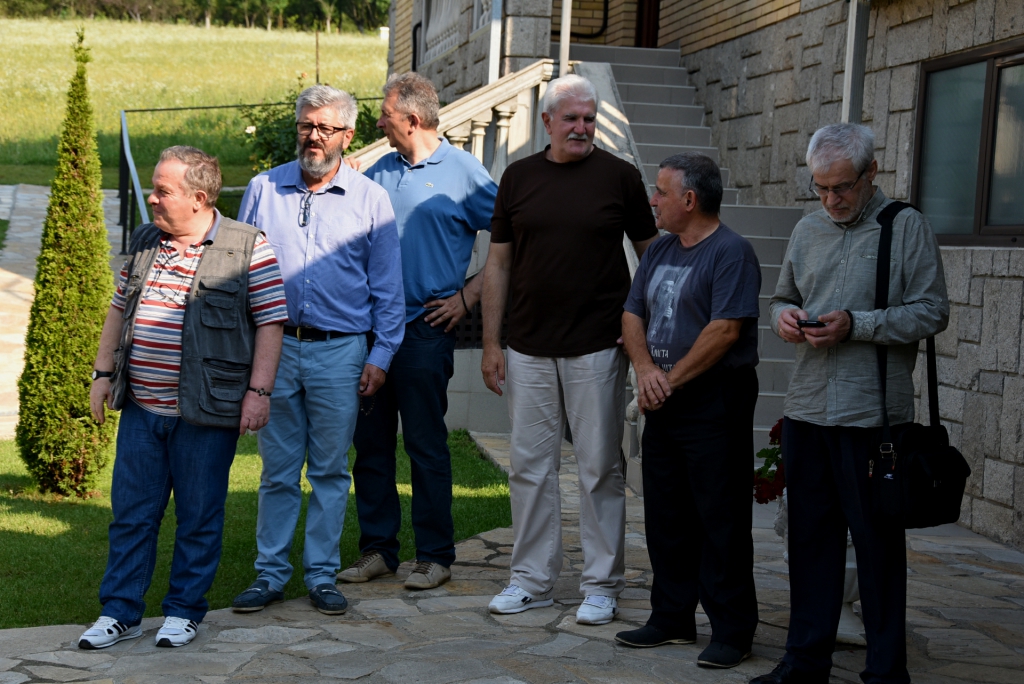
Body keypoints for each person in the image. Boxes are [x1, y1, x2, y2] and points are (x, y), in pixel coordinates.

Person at [750, 123, 948, 684]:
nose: (831, 200)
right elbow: (782, 297)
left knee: (877, 547)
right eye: (820, 188)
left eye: (842, 187)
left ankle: (885, 673)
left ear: (870, 173)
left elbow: (932, 311)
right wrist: (784, 318)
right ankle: (804, 663)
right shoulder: (808, 228)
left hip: (873, 417)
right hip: (808, 409)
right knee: (810, 541)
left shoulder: (905, 227)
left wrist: (856, 325)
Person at [79, 146, 287, 649]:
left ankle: (184, 611)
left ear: (198, 198)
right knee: (132, 516)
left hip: (207, 411)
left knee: (198, 516)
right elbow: (118, 308)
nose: (151, 198)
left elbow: (271, 322)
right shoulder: (146, 240)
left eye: (162, 191)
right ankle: (120, 612)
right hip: (143, 407)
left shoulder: (247, 246)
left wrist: (259, 392)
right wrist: (102, 373)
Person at [480, 74, 658, 625]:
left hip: (598, 347)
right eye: (571, 118)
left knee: (599, 468)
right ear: (547, 122)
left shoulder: (620, 177)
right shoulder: (518, 177)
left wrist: (640, 331)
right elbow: (498, 264)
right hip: (527, 347)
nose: (581, 127)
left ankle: (601, 586)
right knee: (529, 468)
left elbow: (652, 256)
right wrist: (491, 342)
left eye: (589, 118)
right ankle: (531, 580)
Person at [231, 85, 405, 616]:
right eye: (307, 125)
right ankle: (269, 575)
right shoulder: (263, 188)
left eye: (326, 128)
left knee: (330, 471)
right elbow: (238, 273)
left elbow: (388, 289)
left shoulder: (370, 199)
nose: (314, 136)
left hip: (340, 353)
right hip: (276, 350)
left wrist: (380, 356)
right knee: (277, 471)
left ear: (347, 135)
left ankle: (322, 575)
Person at [337, 73, 498, 590]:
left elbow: (513, 240)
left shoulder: (464, 172)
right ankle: (378, 550)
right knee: (371, 446)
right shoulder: (379, 171)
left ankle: (434, 556)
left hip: (426, 330)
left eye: (384, 114)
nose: (377, 122)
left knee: (426, 445)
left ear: (411, 119)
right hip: (371, 333)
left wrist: (467, 297)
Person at [614, 152, 761, 668]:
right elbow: (632, 313)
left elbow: (725, 330)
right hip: (665, 400)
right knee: (667, 515)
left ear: (690, 199)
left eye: (661, 191)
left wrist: (667, 382)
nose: (653, 200)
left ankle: (732, 631)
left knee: (720, 518)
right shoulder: (660, 250)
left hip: (714, 400)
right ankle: (672, 617)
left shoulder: (731, 252)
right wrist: (646, 371)